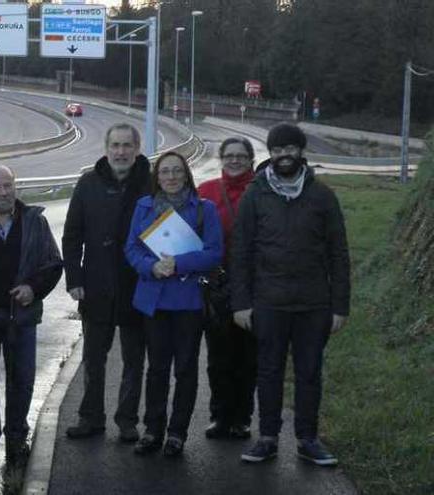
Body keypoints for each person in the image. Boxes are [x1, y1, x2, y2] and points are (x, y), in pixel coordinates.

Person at [232, 123, 350, 466]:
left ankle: (307, 439)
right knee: (268, 372)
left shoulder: (323, 196)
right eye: (277, 150)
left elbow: (338, 254)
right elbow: (241, 252)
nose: (284, 155)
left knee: (309, 372)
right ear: (270, 154)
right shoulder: (255, 195)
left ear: (301, 152)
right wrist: (241, 303)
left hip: (314, 304)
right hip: (268, 302)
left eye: (290, 149)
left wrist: (339, 306)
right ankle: (267, 438)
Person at [0, 165, 63, 465]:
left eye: (8, 186)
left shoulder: (35, 221)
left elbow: (53, 264)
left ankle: (17, 434)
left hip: (21, 316)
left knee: (22, 379)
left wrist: (33, 288)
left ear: (15, 187)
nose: (3, 192)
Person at [124, 152, 223, 457]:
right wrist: (150, 267)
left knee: (185, 369)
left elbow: (215, 252)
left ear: (186, 174)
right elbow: (131, 248)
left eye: (176, 171)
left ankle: (177, 433)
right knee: (156, 368)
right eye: (165, 172)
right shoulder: (144, 206)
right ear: (157, 176)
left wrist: (177, 264)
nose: (170, 177)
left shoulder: (204, 209)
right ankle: (153, 429)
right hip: (154, 299)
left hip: (188, 300)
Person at [62, 123, 151, 442]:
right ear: (106, 148)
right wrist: (74, 278)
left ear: (137, 149)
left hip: (137, 285)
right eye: (115, 145)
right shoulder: (88, 184)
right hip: (96, 285)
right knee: (93, 358)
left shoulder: (150, 185)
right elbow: (71, 236)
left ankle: (127, 420)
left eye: (127, 145)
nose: (121, 152)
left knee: (133, 360)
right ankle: (90, 417)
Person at [196, 137, 257, 440]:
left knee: (248, 357)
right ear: (221, 159)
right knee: (218, 357)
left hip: (253, 285)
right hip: (217, 286)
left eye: (241, 156)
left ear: (251, 160)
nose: (235, 161)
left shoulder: (262, 190)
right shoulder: (206, 192)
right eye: (229, 156)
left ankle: (242, 418)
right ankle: (219, 416)